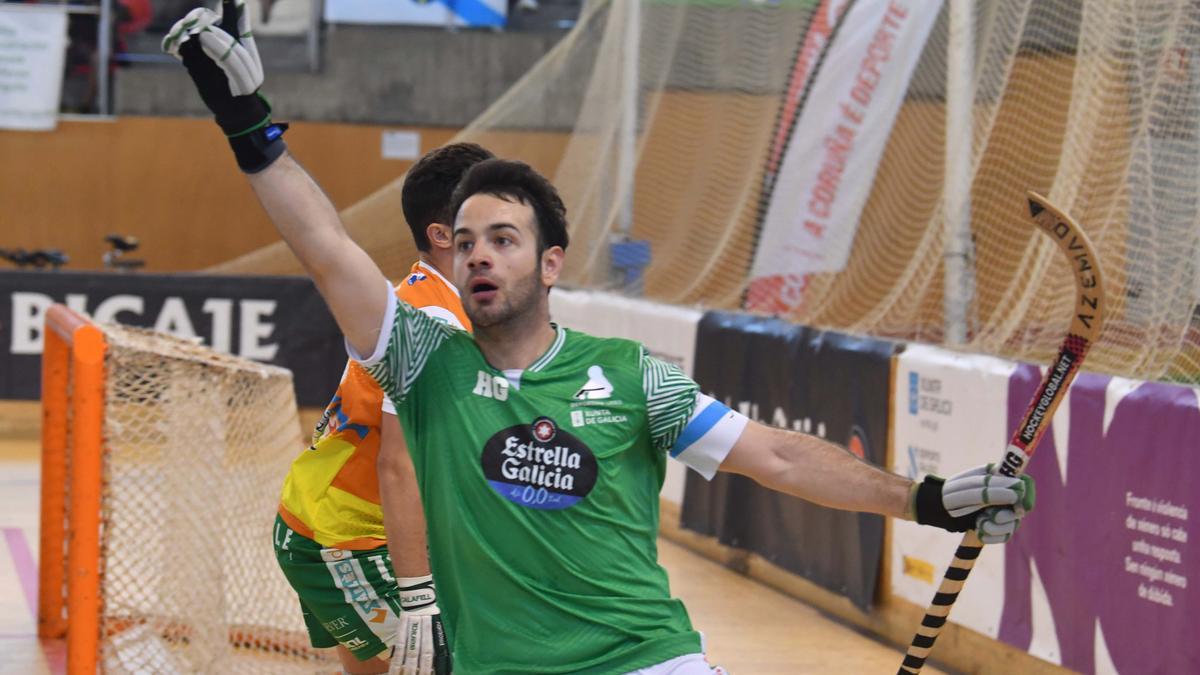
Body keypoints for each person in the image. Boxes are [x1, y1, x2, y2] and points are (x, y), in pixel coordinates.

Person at [164, 4, 1035, 673]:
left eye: (502, 239)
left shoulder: (630, 376)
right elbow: (325, 247)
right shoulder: (424, 360)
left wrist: (924, 499)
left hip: (647, 656)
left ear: (551, 264)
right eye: (464, 241)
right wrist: (250, 128)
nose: (477, 257)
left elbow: (779, 457)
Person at [271, 143, 491, 674]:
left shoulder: (435, 300)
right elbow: (400, 464)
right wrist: (418, 596)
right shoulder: (435, 322)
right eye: (492, 219)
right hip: (345, 537)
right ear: (443, 236)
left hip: (335, 527)